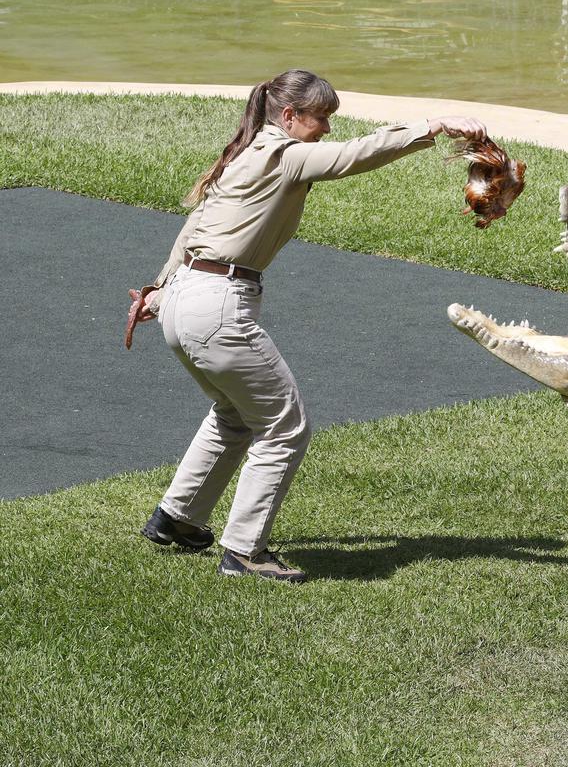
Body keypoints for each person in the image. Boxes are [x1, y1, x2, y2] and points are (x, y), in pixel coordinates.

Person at [136, 69, 487, 583]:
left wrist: (161, 288)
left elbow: (195, 226)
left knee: (235, 414)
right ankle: (244, 551)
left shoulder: (246, 152)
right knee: (284, 425)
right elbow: (353, 156)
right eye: (320, 118)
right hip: (216, 306)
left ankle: (177, 519)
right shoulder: (284, 155)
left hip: (186, 298)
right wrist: (433, 125)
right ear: (289, 115)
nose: (325, 128)